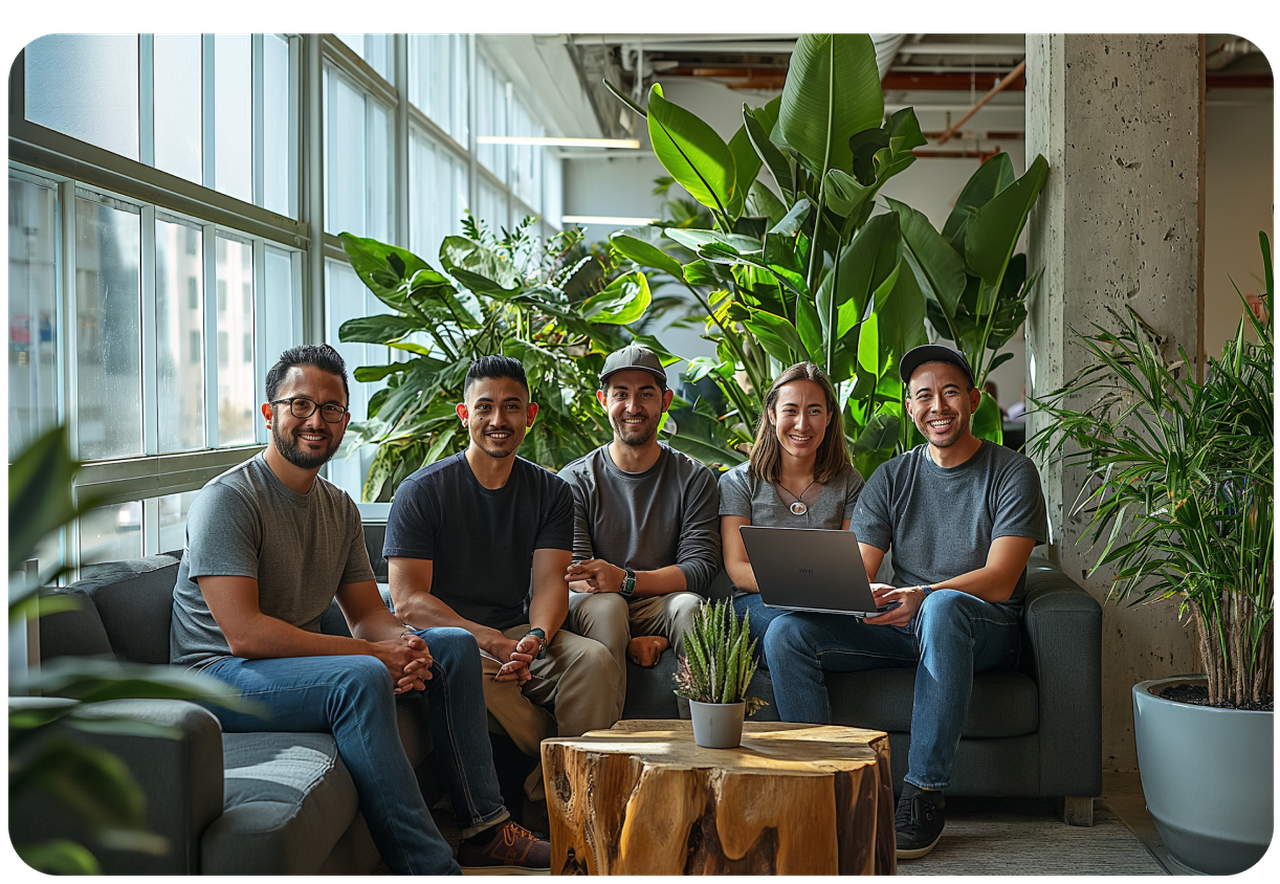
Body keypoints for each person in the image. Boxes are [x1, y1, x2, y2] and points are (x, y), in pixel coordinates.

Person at [169, 344, 548, 877]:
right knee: (361, 676)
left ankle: (485, 830)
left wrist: (406, 646)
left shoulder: (338, 506)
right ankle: (429, 868)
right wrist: (375, 655)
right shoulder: (229, 499)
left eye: (331, 409)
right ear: (269, 413)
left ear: (345, 420)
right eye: (299, 405)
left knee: (453, 646)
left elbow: (369, 613)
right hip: (217, 675)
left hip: (287, 667)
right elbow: (245, 635)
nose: (315, 421)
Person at [763, 345, 1047, 860]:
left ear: (974, 399)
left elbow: (1003, 579)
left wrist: (924, 595)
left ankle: (923, 793)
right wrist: (862, 595)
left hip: (985, 626)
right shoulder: (893, 478)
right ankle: (825, 786)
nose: (938, 405)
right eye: (924, 396)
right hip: (907, 622)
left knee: (941, 609)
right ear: (910, 407)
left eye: (950, 393)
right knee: (788, 633)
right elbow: (862, 569)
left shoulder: (1012, 472)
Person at [383, 355, 618, 773]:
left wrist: (537, 637)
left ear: (529, 415)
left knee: (594, 661)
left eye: (511, 406)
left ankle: (577, 789)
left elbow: (549, 584)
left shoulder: (552, 492)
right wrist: (489, 641)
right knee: (464, 666)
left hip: (513, 632)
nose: (498, 418)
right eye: (485, 407)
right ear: (464, 415)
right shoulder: (421, 491)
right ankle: (557, 779)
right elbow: (408, 603)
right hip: (444, 638)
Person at [559, 345, 720, 714]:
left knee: (690, 608)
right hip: (595, 605)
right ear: (603, 400)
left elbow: (699, 571)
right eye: (621, 394)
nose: (633, 407)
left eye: (645, 394)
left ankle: (700, 744)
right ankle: (605, 748)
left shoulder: (694, 478)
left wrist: (626, 581)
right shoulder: (575, 480)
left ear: (665, 401)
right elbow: (579, 574)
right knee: (609, 609)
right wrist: (617, 592)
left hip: (659, 603)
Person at [719, 363, 865, 660]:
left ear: (828, 418)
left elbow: (852, 564)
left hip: (827, 606)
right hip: (756, 603)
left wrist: (814, 595)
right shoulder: (737, 482)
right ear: (772, 415)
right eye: (790, 411)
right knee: (790, 631)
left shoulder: (849, 482)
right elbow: (738, 568)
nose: (802, 424)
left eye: (814, 411)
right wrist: (802, 590)